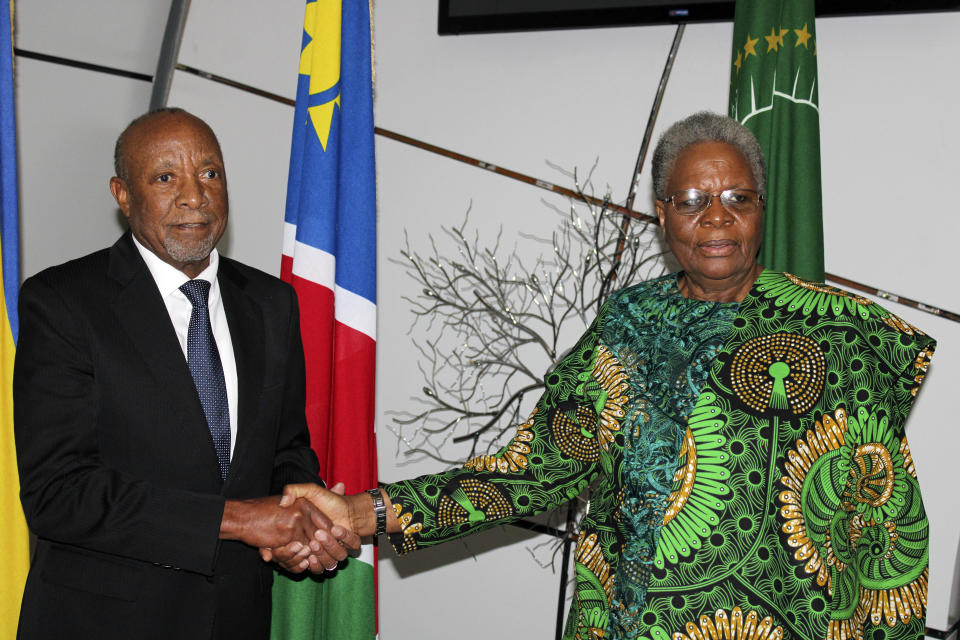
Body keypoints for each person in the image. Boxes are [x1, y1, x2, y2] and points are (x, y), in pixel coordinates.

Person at [275, 111, 934, 640]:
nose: (716, 217)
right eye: (693, 199)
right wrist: (367, 510)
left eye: (738, 197)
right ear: (661, 213)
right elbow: (534, 469)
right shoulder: (627, 326)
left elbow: (889, 526)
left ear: (763, 207)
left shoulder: (843, 333)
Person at [14, 108, 359, 640]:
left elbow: (285, 449)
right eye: (165, 177)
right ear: (122, 194)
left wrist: (300, 529)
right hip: (103, 622)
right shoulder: (63, 303)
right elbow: (59, 494)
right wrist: (244, 520)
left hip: (237, 619)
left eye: (210, 173)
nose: (194, 196)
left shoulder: (271, 303)